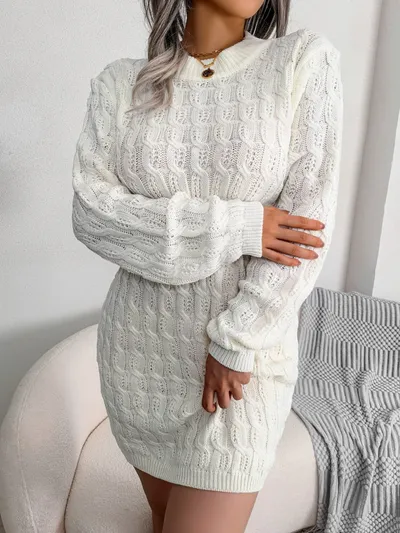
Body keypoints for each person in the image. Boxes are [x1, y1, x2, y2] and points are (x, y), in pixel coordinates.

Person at [71, 0, 343, 531]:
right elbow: (92, 213)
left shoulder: (301, 61)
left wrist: (235, 341)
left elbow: (307, 229)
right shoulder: (120, 84)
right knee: (162, 519)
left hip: (238, 371)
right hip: (138, 362)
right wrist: (240, 226)